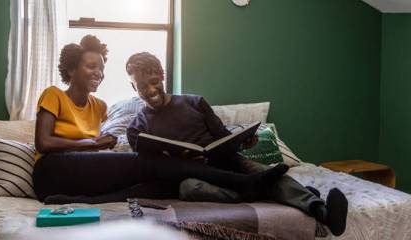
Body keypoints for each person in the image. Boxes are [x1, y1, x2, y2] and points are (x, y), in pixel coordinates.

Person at [31, 35, 290, 205]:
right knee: (148, 163)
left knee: (160, 183)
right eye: (91, 66)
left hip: (80, 176)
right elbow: (43, 143)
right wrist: (94, 144)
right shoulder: (53, 95)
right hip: (50, 171)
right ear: (71, 69)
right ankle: (243, 183)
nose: (98, 73)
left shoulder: (99, 106)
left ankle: (80, 201)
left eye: (101, 68)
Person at [124, 52, 348, 235]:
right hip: (190, 177)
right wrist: (179, 161)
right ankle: (264, 191)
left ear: (162, 76)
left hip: (225, 161)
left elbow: (222, 136)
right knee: (189, 188)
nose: (151, 91)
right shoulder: (136, 128)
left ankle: (321, 210)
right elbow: (151, 168)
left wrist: (242, 143)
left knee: (267, 172)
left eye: (154, 82)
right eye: (142, 87)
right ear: (134, 89)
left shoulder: (194, 102)